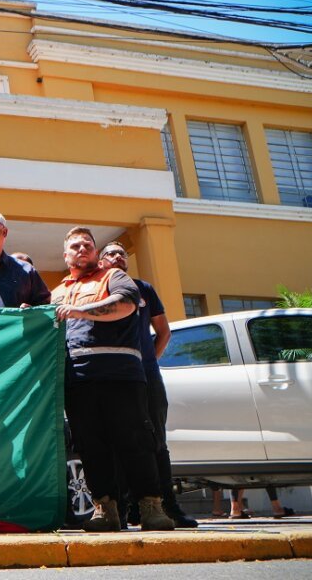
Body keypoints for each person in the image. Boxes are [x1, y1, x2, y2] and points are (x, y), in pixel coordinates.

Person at [51, 227, 174, 532]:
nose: (82, 249)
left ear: (95, 252)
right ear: (66, 255)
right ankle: (106, 510)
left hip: (121, 377)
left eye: (88, 245)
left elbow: (125, 304)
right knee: (90, 447)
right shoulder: (57, 292)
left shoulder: (114, 278)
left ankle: (151, 508)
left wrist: (78, 310)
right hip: (78, 380)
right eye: (75, 246)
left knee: (135, 441)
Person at [98, 242, 198, 528]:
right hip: (115, 376)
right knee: (119, 442)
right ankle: (129, 509)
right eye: (110, 254)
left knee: (156, 441)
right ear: (101, 261)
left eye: (121, 253)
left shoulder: (144, 289)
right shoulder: (95, 290)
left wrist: (148, 362)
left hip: (146, 375)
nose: (117, 257)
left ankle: (168, 507)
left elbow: (163, 331)